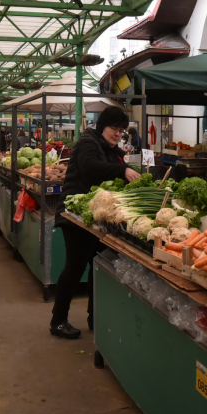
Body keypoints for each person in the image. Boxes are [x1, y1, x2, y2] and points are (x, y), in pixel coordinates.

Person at [50, 106, 140, 339]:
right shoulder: (88, 142)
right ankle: (58, 321)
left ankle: (94, 317)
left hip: (93, 218)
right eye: (114, 128)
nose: (117, 133)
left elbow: (114, 168)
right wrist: (123, 170)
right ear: (102, 126)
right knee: (75, 267)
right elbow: (90, 169)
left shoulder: (112, 149)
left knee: (97, 264)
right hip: (74, 215)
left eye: (121, 130)